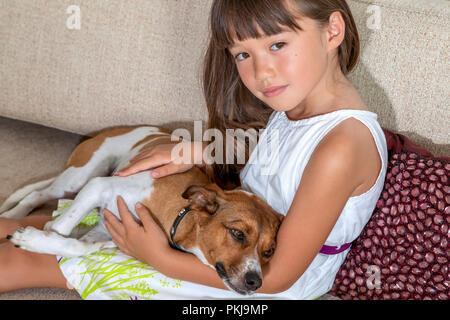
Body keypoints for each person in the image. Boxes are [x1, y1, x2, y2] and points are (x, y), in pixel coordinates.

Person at [0, 0, 387, 299]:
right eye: (242, 54)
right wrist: (198, 151)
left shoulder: (342, 146)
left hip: (261, 285)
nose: (261, 71)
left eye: (278, 44)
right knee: (65, 221)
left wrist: (161, 258)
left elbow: (279, 275)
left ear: (332, 30)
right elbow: (280, 156)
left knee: (37, 258)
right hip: (227, 238)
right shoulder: (299, 108)